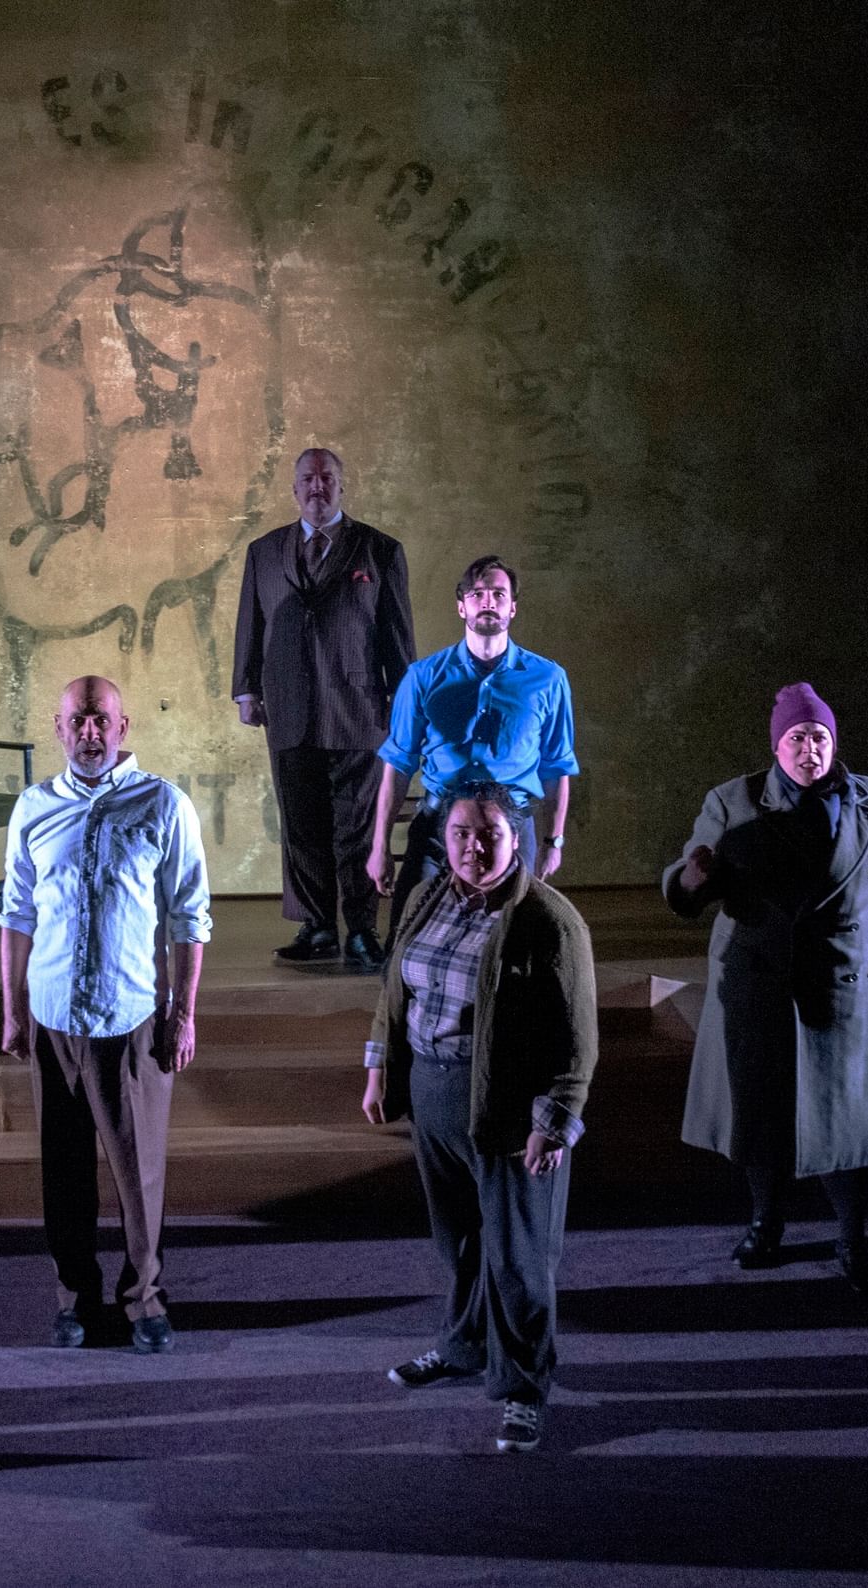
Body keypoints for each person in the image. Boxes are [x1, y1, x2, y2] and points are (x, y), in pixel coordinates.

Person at [661, 682, 868, 1289]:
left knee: (850, 1120)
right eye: (796, 737)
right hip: (760, 978)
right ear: (776, 746)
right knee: (760, 1113)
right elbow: (690, 881)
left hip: (848, 979)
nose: (808, 748)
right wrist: (690, 877)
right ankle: (766, 1223)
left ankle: (851, 1234)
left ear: (833, 741)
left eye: (819, 736)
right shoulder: (733, 801)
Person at [364, 782, 597, 1453]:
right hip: (433, 1094)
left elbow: (578, 1037)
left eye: (489, 831)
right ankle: (463, 1347)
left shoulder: (549, 919)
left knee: (519, 1258)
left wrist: (555, 1120)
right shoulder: (426, 896)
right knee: (459, 1242)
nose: (474, 845)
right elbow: (394, 985)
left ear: (517, 837)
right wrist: (380, 1064)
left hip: (504, 1104)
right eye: (461, 832)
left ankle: (524, 1388)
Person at [0, 676, 212, 1354]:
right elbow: (16, 913)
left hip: (130, 1016)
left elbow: (189, 916)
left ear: (124, 729)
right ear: (58, 731)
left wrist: (184, 1012)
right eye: (77, 721)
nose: (90, 732)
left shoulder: (164, 805)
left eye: (102, 721)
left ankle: (144, 1298)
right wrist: (13, 1010)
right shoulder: (33, 809)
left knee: (138, 1175)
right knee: (62, 1176)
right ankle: (74, 1299)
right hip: (55, 1016)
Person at [232, 447, 416, 970]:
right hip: (288, 709)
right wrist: (246, 689)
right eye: (308, 479)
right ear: (294, 490)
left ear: (342, 485)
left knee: (356, 828)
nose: (318, 487)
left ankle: (360, 929)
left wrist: (406, 706)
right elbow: (252, 624)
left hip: (358, 711)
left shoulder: (379, 551)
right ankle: (316, 927)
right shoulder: (264, 552)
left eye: (327, 477)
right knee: (302, 825)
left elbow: (398, 639)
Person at [366, 556, 579, 930]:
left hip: (512, 828)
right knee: (408, 937)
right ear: (461, 605)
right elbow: (398, 765)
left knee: (511, 943)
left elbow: (557, 766)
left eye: (499, 593)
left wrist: (554, 841)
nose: (488, 601)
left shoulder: (548, 678)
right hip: (437, 827)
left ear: (513, 606)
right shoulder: (422, 677)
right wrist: (380, 845)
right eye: (477, 593)